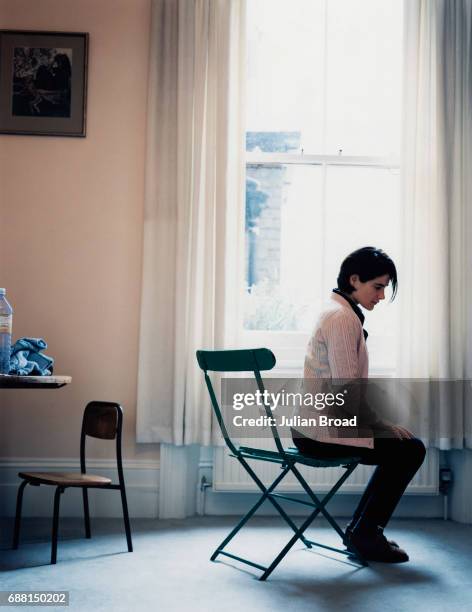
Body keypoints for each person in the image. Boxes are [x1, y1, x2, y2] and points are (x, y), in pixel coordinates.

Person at [291, 246, 426, 563]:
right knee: (410, 449)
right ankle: (364, 534)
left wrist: (380, 426)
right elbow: (347, 393)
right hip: (319, 434)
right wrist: (384, 427)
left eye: (384, 288)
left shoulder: (337, 312)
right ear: (354, 280)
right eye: (377, 287)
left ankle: (364, 532)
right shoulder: (341, 319)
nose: (380, 296)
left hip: (315, 428)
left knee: (403, 447)